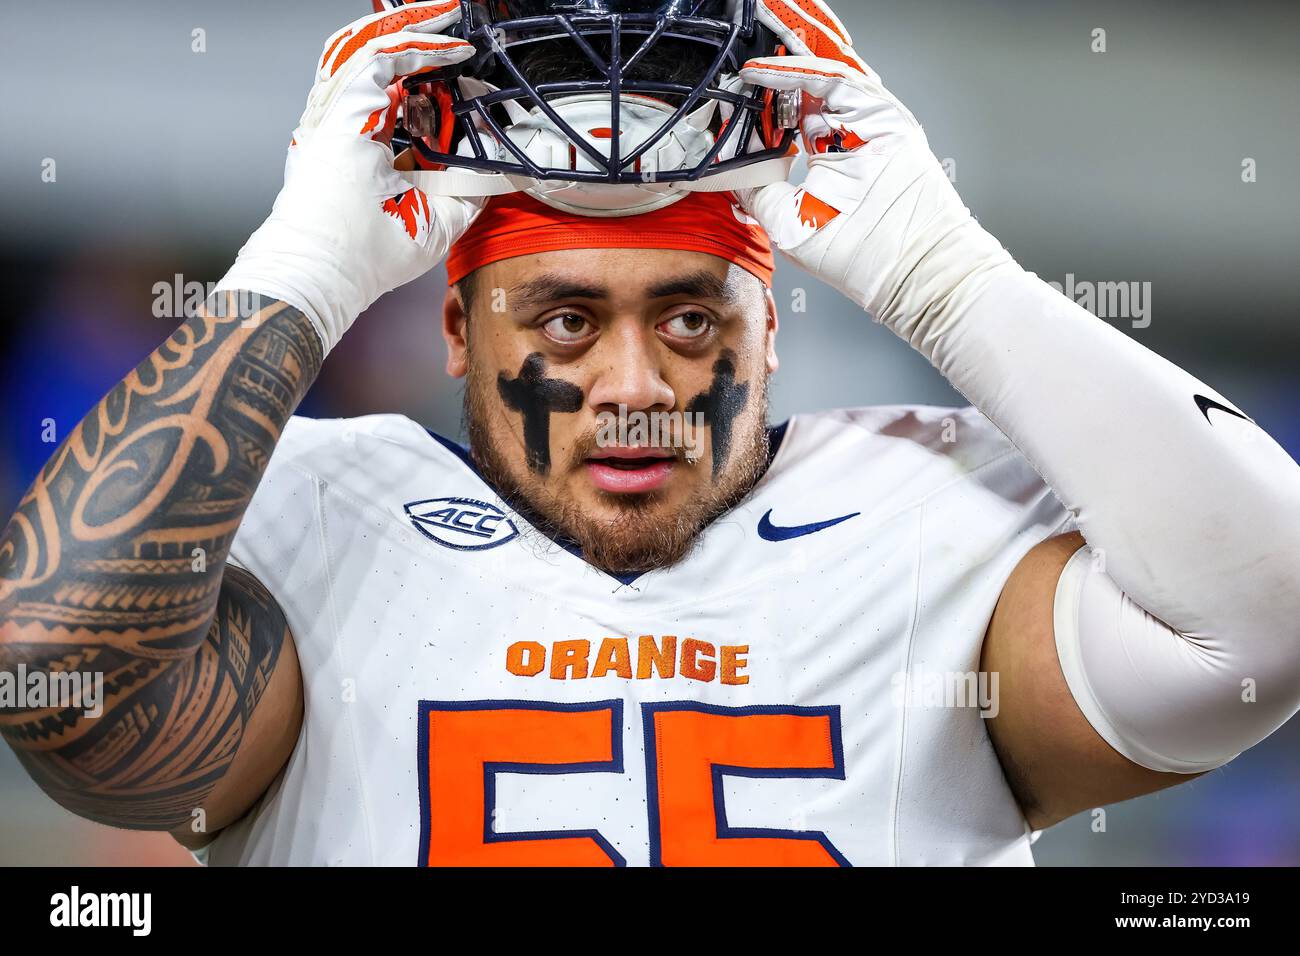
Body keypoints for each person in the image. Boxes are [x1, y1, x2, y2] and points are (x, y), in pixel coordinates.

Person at [1, 0, 1297, 866]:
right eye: (563, 323)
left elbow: (1268, 625)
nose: (633, 382)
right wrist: (297, 270)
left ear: (772, 332)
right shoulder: (324, 511)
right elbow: (56, 674)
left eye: (691, 321)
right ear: (459, 334)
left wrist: (951, 281)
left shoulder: (926, 513)